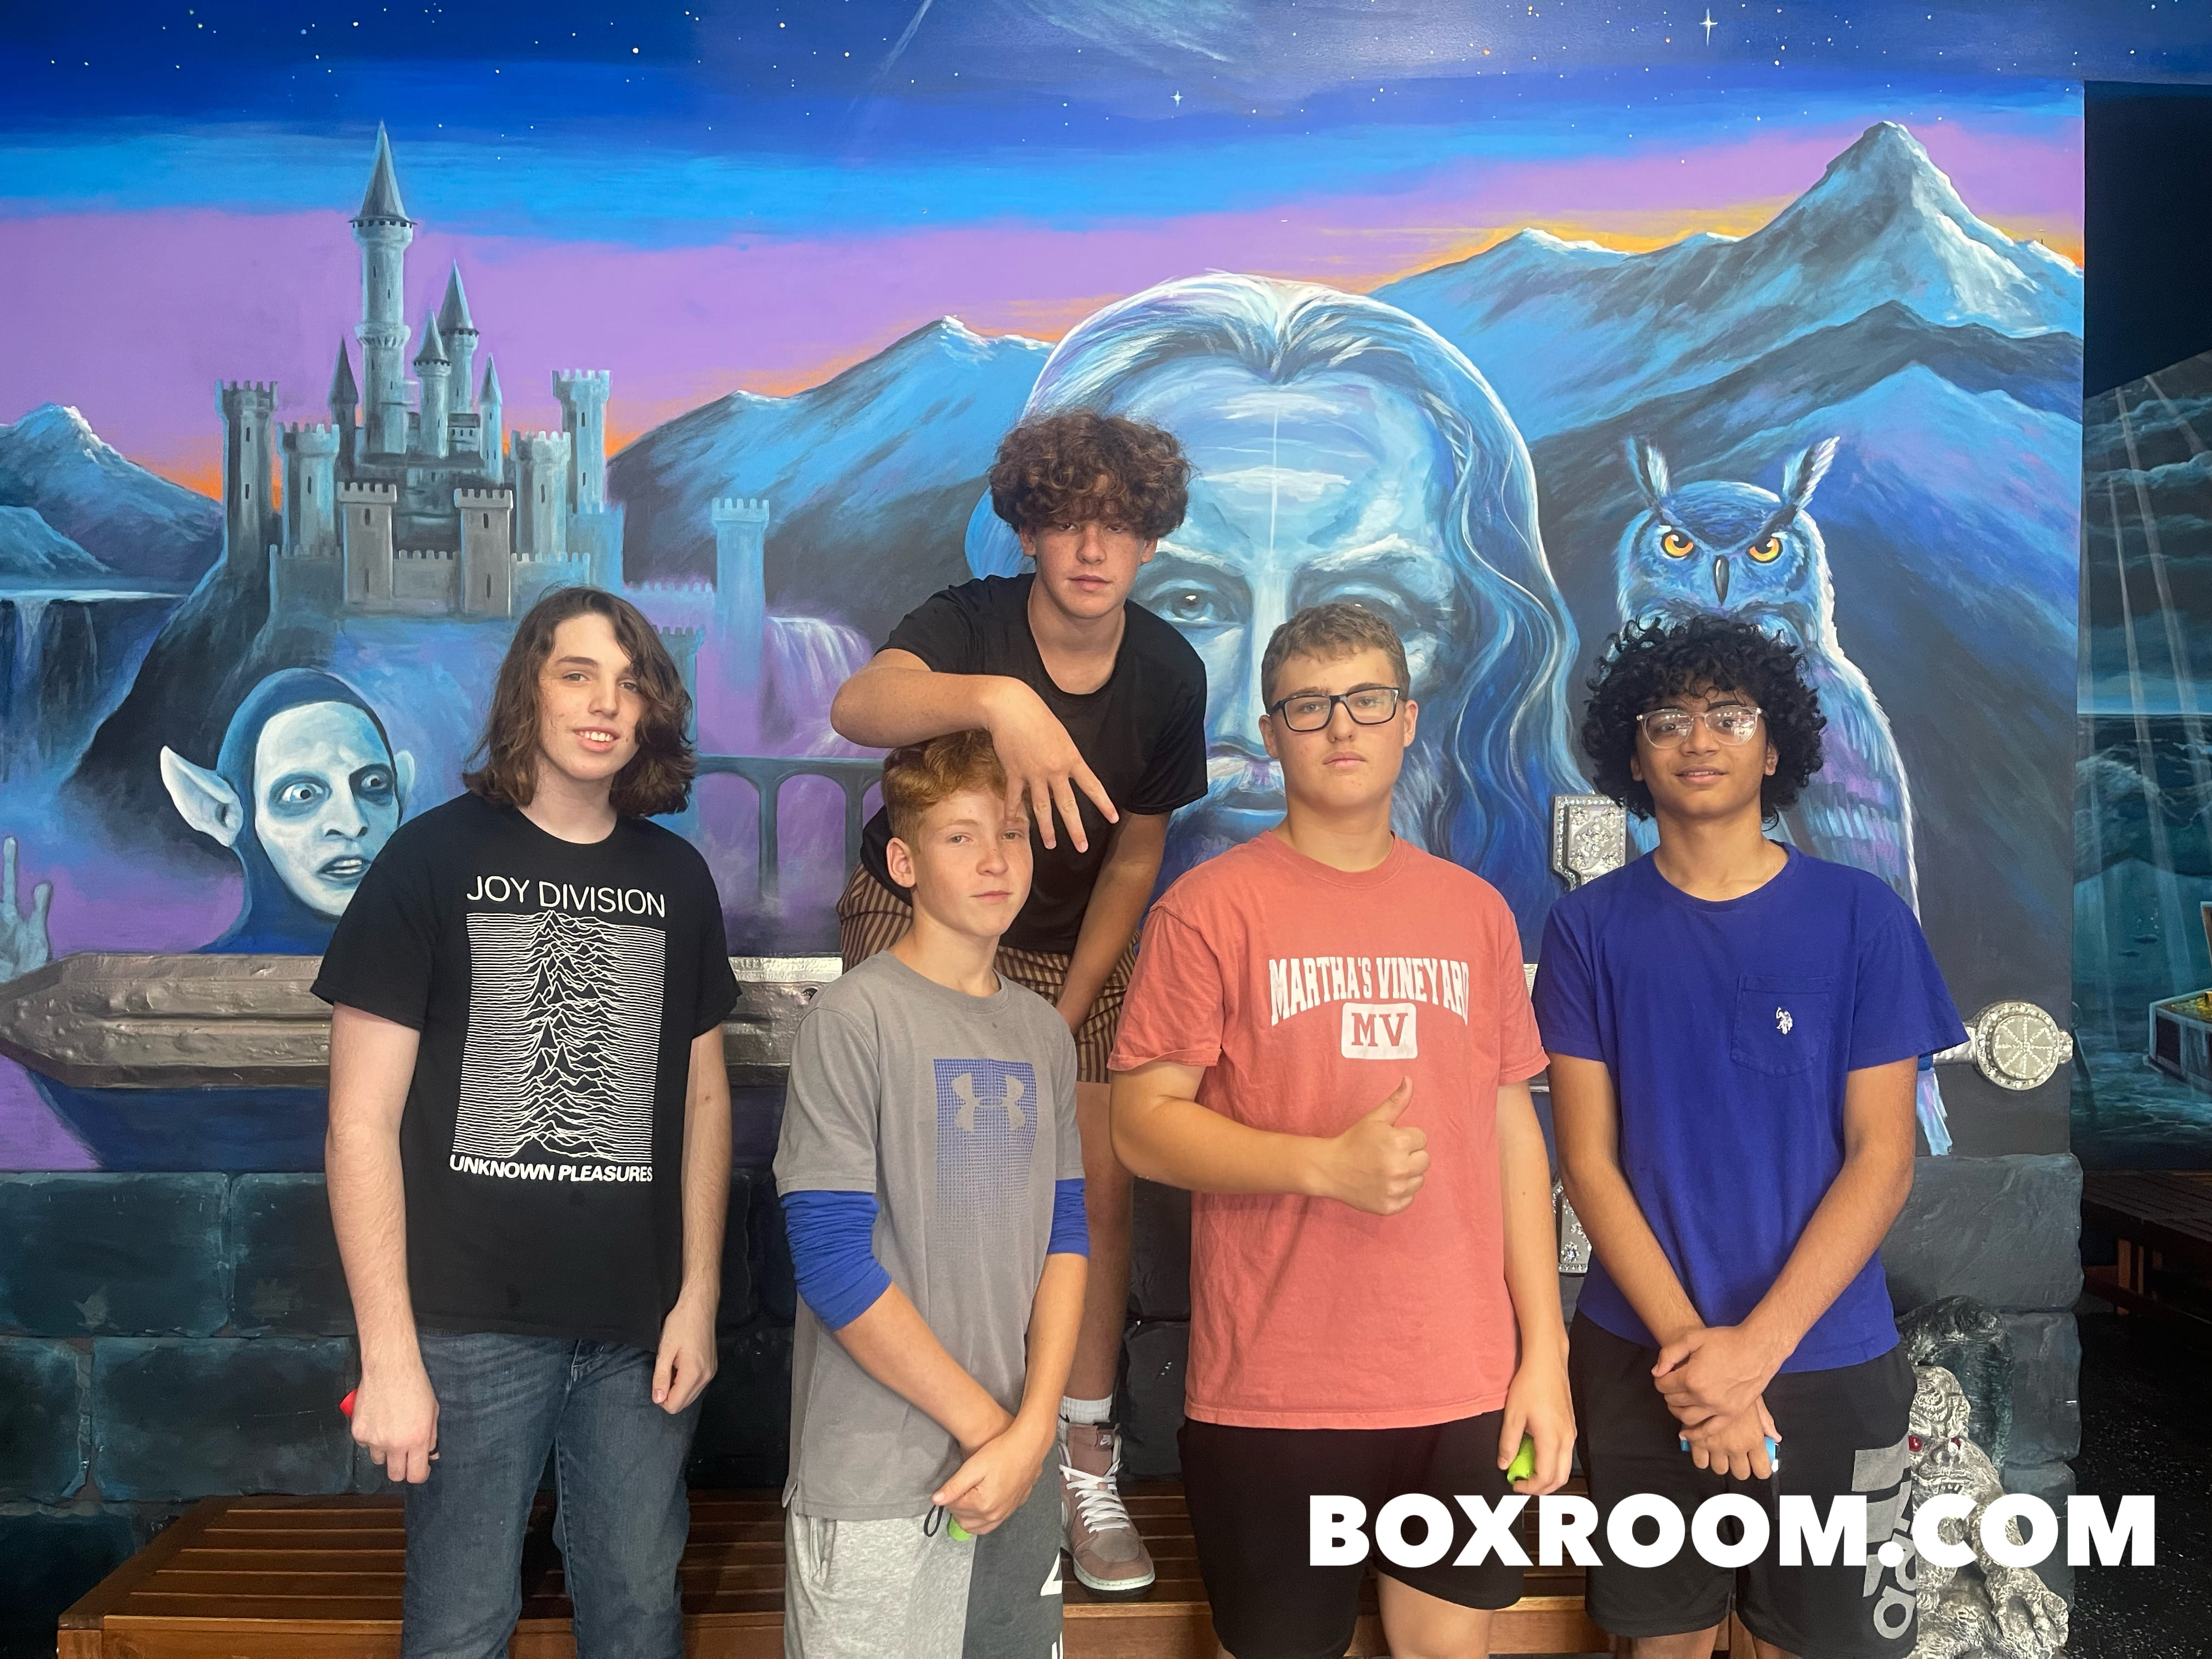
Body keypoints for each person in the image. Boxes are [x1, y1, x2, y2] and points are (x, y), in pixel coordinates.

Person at [1111, 602, 1575, 1659]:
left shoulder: (1475, 913)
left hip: (1461, 1378)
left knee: (1448, 1649)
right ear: (1271, 730)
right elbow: (1139, 1124)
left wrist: (1542, 1354)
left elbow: (1512, 1129)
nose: (1340, 726)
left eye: (1366, 700)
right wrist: (1320, 1164)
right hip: (1274, 1387)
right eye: (1309, 706)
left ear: (1407, 718)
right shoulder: (1207, 908)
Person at [317, 586, 738, 1658]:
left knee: (638, 1611)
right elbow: (359, 1124)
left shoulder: (676, 878)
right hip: (466, 1331)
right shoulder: (428, 862)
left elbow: (703, 1101)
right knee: (461, 1625)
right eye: (577, 674)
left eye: (630, 682)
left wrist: (697, 1296)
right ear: (527, 692)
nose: (606, 703)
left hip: (638, 1331)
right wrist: (389, 1353)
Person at [1534, 614, 1967, 1659]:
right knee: (1664, 1640)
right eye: (1667, 718)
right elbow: (1586, 1160)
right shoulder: (1587, 927)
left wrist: (1749, 1358)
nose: (1698, 737)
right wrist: (1699, 1363)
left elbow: (1882, 1158)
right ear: (1633, 752)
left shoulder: (1862, 917)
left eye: (1728, 714)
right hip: (1644, 1352)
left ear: (1774, 748)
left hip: (1826, 1353)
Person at [829, 409, 1204, 1592]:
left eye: (1119, 524)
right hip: (922, 909)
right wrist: (1000, 701)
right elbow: (858, 707)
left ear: (1151, 541)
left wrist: (1063, 1012)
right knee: (920, 1173)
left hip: (1072, 945)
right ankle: (922, 1434)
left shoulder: (1167, 672)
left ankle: (1082, 1456)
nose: (1093, 547)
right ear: (1030, 530)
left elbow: (1135, 859)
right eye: (1069, 520)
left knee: (1094, 1182)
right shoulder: (972, 622)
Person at [962, 272, 1585, 932]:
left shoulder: (1509, 927)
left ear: (1482, 648)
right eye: (1190, 602)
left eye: (1362, 612)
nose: (1262, 720)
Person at [776, 730, 1088, 1658]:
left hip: (1014, 1467)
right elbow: (833, 1264)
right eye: (961, 836)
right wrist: (996, 1433)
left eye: (1012, 833)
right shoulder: (854, 1017)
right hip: (881, 1479)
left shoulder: (1044, 1033)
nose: (995, 859)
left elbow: (1067, 1237)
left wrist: (1034, 1431)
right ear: (905, 863)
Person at [160, 668, 414, 951]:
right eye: (302, 794)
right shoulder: (204, 977)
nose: (352, 823)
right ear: (222, 814)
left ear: (400, 795)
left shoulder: (433, 962)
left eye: (374, 784)